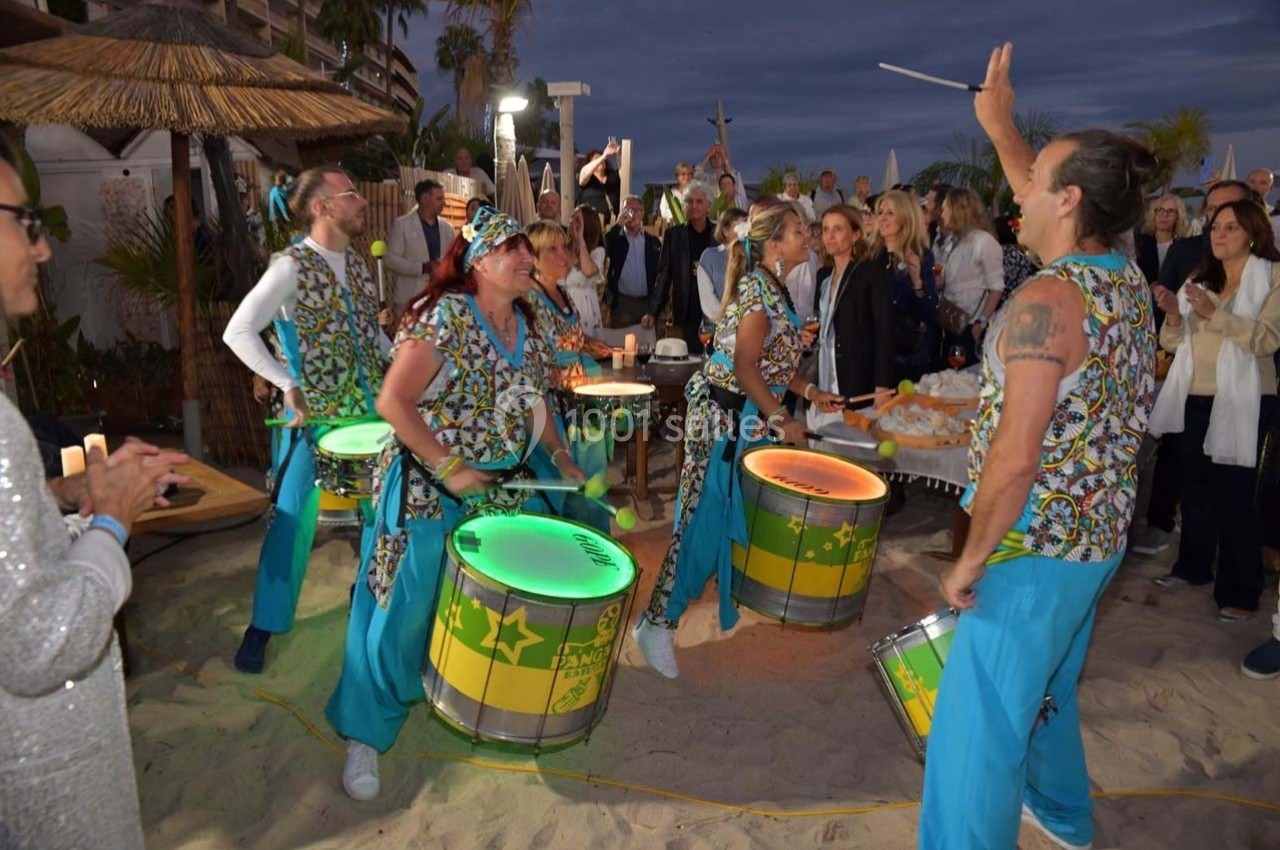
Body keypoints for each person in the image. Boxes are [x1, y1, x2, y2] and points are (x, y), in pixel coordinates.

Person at [921, 43, 1159, 850]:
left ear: (1069, 200)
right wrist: (1000, 124)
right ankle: (1061, 813)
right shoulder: (1119, 275)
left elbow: (1016, 460)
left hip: (1032, 545)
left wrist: (968, 561)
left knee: (974, 735)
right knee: (1048, 690)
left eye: (1034, 182)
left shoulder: (1049, 299)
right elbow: (1035, 179)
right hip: (1094, 544)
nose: (1014, 192)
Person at [325, 208, 582, 800]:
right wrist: (449, 466)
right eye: (512, 249)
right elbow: (394, 401)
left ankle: (471, 698)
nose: (527, 258)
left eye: (527, 249)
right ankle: (365, 732)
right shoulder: (445, 318)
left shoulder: (526, 318)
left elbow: (533, 397)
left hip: (495, 487)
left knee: (493, 601)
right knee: (403, 605)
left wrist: (562, 455)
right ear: (478, 262)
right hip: (425, 485)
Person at [0, 143, 189, 850]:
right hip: (35, 781)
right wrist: (110, 523)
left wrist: (63, 492)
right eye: (24, 221)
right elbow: (38, 641)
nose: (42, 250)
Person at [632, 203, 841, 678]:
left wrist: (809, 391)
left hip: (739, 416)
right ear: (773, 244)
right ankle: (657, 624)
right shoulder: (755, 289)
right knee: (699, 524)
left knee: (718, 520)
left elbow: (767, 363)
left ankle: (662, 620)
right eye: (798, 231)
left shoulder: (774, 288)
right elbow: (745, 367)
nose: (807, 236)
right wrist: (781, 417)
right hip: (721, 418)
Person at [223, 166, 392, 674]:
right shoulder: (289, 267)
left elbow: (374, 341)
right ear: (323, 206)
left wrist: (404, 356)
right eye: (352, 193)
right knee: (291, 521)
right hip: (314, 421)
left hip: (369, 415)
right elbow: (239, 331)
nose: (362, 201)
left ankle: (368, 594)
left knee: (379, 515)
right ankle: (264, 624)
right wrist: (287, 383)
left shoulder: (360, 265)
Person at [1149, 200, 1280, 622]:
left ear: (1254, 233)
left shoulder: (1273, 277)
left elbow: (1266, 340)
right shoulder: (1201, 277)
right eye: (1215, 227)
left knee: (1237, 496)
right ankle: (1193, 567)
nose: (1218, 235)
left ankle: (1240, 590)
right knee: (1195, 489)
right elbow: (1173, 344)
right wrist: (1172, 315)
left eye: (1230, 228)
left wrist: (1215, 312)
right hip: (1193, 393)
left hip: (1245, 400)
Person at [525, 220, 614, 530]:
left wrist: (588, 344)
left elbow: (566, 336)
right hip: (555, 410)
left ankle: (593, 550)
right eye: (552, 249)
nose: (564, 256)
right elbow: (534, 360)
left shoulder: (563, 292)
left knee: (591, 480)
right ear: (532, 257)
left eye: (565, 247)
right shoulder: (529, 301)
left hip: (581, 401)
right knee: (566, 486)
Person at [808, 204, 892, 431]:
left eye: (838, 229)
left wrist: (882, 384)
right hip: (824, 369)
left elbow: (885, 330)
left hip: (857, 371)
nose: (829, 236)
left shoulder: (870, 272)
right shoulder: (823, 275)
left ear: (855, 234)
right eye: (825, 229)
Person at [873, 190, 941, 383]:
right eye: (880, 212)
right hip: (875, 356)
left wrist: (917, 282)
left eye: (890, 213)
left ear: (905, 217)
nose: (883, 219)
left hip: (908, 357)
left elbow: (930, 314)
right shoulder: (871, 255)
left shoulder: (921, 255)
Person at [939, 187, 1004, 367]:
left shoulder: (984, 242)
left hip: (969, 325)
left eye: (945, 208)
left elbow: (996, 287)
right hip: (950, 323)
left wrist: (980, 324)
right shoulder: (954, 241)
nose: (942, 213)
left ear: (958, 210)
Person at [646, 182, 716, 350]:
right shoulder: (674, 235)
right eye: (690, 202)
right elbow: (664, 276)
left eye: (699, 201)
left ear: (708, 205)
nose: (694, 206)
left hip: (715, 312)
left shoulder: (720, 234)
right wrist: (652, 311)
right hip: (686, 311)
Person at [385, 179, 457, 311]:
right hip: (410, 299)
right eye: (439, 199)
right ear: (424, 199)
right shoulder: (402, 225)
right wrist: (422, 268)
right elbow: (391, 260)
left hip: (440, 300)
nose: (444, 203)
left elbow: (453, 260)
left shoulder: (448, 228)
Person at [604, 195, 661, 327]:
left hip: (647, 304)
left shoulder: (652, 242)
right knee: (621, 344)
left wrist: (656, 306)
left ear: (642, 213)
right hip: (623, 304)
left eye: (636, 210)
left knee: (648, 344)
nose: (631, 214)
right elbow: (603, 247)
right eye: (627, 209)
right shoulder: (616, 238)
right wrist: (617, 225)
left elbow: (661, 273)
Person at [697, 206, 748, 323]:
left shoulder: (753, 255)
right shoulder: (710, 256)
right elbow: (707, 299)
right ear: (725, 230)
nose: (746, 230)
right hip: (720, 327)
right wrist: (728, 321)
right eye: (741, 225)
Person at [562, 205, 606, 335]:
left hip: (583, 308)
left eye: (578, 220)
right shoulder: (562, 247)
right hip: (562, 306)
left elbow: (588, 271)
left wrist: (580, 240)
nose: (572, 222)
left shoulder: (597, 251)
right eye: (571, 217)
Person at [1136, 195, 1189, 285]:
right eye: (1160, 210)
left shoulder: (1184, 246)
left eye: (1170, 211)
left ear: (1178, 217)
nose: (1164, 215)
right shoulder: (1140, 242)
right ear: (1154, 214)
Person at [695, 141, 748, 210]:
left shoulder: (728, 176)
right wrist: (709, 154)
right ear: (710, 160)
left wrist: (724, 156)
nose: (716, 159)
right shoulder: (706, 177)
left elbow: (734, 179)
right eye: (713, 157)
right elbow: (696, 174)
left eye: (719, 157)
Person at [578, 141, 621, 219]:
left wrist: (617, 154)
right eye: (596, 159)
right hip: (590, 224)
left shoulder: (612, 176)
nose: (600, 161)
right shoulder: (588, 179)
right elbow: (583, 173)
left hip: (612, 224)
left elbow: (624, 171)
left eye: (602, 160)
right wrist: (603, 156)